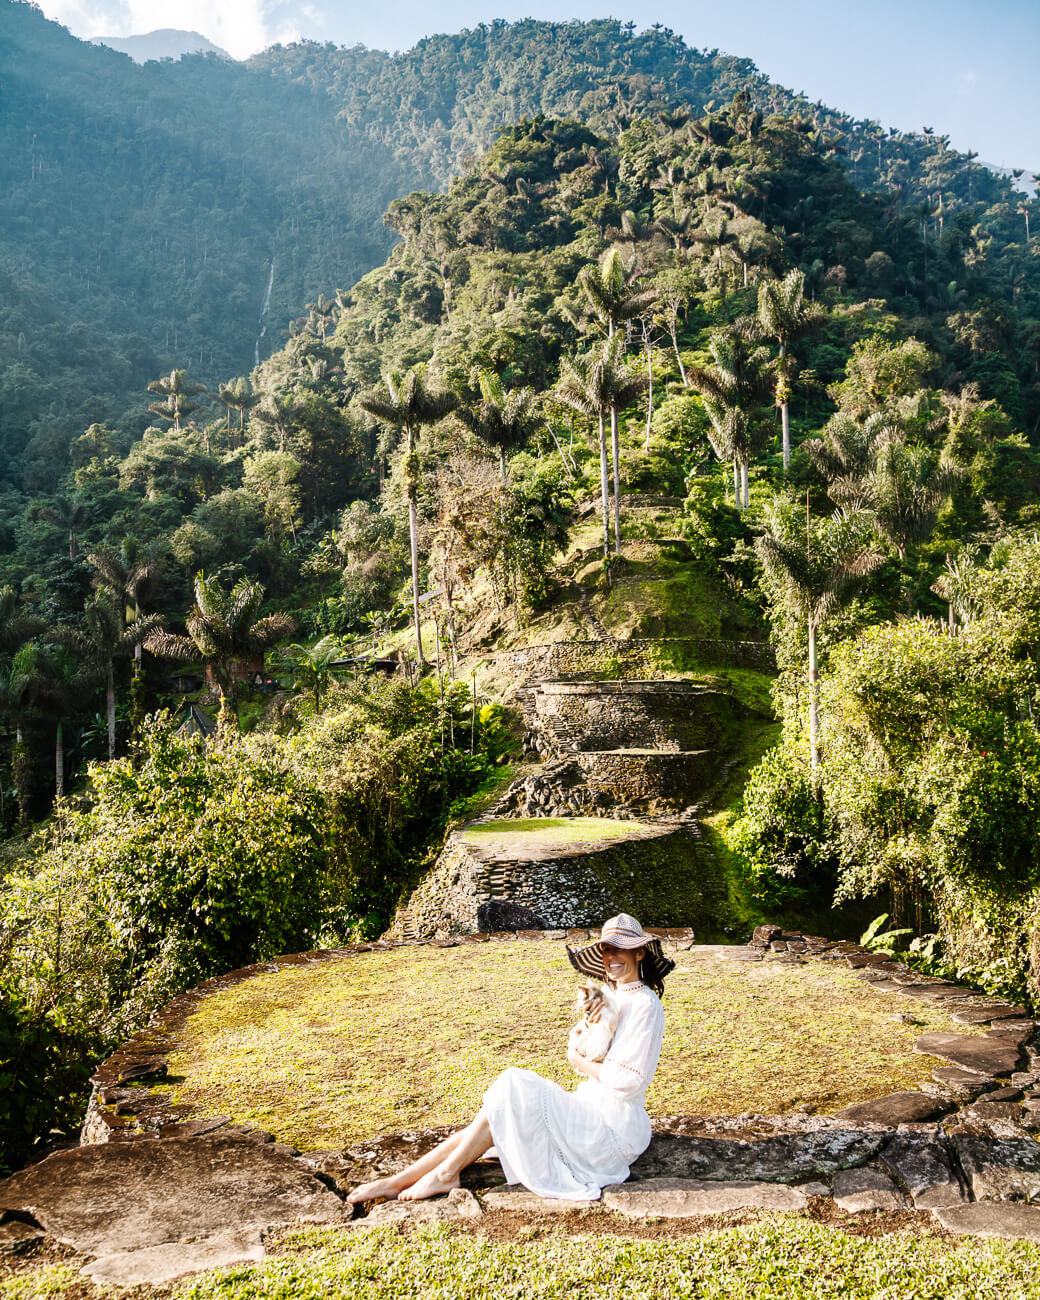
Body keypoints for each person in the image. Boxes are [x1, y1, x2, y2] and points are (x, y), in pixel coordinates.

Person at [347, 913, 673, 1204]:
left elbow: (628, 1083)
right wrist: (589, 1026)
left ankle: (444, 1175)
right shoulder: (611, 997)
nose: (612, 956)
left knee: (514, 1083)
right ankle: (399, 1181)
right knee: (499, 1109)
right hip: (589, 1108)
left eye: (620, 948)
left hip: (612, 1129)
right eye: (607, 949)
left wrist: (578, 1061)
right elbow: (587, 1046)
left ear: (640, 952)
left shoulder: (645, 1005)